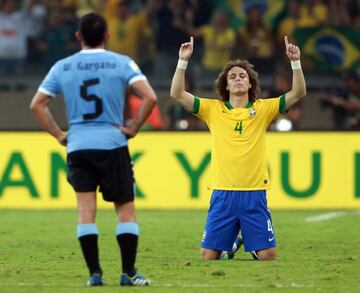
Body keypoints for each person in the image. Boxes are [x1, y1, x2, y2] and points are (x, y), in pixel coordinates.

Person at [30, 13, 157, 286]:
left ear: (78, 37)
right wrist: (133, 127)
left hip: (78, 144)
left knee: (85, 211)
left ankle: (95, 275)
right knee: (125, 210)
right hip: (112, 143)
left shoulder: (62, 67)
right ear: (107, 36)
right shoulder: (122, 63)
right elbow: (150, 97)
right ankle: (129, 273)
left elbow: (37, 104)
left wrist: (58, 134)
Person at [170, 36, 306, 260]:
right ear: (226, 85)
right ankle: (231, 245)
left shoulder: (264, 109)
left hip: (254, 192)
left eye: (242, 76)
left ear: (251, 83)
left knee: (268, 256)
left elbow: (298, 93)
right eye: (232, 77)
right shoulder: (212, 109)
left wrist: (295, 63)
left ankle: (253, 247)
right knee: (207, 257)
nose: (238, 79)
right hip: (223, 192)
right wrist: (182, 61)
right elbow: (177, 94)